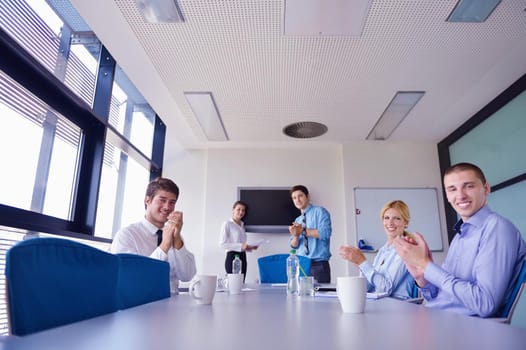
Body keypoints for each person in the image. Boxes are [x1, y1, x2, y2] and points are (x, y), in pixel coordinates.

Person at [394, 162, 526, 317]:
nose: (461, 195)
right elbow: (439, 297)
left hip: (464, 329)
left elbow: (485, 304)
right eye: (452, 189)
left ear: (486, 188)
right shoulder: (460, 235)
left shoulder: (497, 229)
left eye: (469, 186)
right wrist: (422, 277)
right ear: (447, 196)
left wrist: (426, 264)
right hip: (436, 319)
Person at [111, 177, 196, 294]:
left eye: (172, 202)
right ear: (147, 201)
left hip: (173, 304)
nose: (167, 207)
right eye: (162, 200)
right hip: (141, 305)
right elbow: (132, 278)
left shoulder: (174, 235)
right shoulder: (127, 235)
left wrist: (177, 241)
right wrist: (164, 245)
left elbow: (187, 276)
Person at [339, 200, 414, 299]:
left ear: (406, 223)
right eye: (386, 218)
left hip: (398, 307)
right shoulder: (383, 250)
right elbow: (368, 287)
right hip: (380, 303)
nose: (390, 223)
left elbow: (386, 289)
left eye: (397, 218)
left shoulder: (406, 248)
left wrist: (362, 262)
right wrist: (360, 264)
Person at [289, 185, 332, 283]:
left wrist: (302, 231)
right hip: (301, 265)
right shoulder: (298, 220)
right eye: (294, 198)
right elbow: (293, 246)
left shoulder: (320, 212)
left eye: (300, 196)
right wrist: (295, 236)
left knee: (319, 297)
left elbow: (325, 233)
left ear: (308, 197)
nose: (297, 200)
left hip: (318, 265)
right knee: (301, 297)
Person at [219, 200, 258, 280]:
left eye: (243, 210)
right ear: (233, 210)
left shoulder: (242, 225)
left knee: (241, 283)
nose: (241, 212)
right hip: (232, 257)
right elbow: (222, 244)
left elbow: (242, 245)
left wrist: (250, 247)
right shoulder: (227, 224)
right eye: (238, 209)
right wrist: (241, 246)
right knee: (233, 284)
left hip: (243, 257)